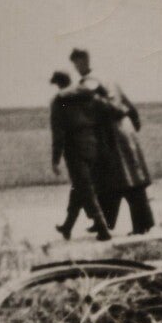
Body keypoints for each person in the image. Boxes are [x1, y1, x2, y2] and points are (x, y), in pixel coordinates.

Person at [70, 47, 155, 237]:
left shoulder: (89, 84)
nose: (76, 67)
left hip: (113, 136)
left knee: (126, 182)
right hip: (123, 132)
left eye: (76, 63)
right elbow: (128, 105)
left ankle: (141, 226)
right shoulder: (107, 79)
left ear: (83, 61)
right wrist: (133, 123)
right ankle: (105, 221)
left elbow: (104, 109)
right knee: (110, 181)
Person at [49, 70, 113, 241]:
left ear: (58, 84)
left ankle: (102, 228)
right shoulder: (87, 94)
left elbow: (58, 132)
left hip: (74, 148)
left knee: (84, 188)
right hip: (92, 146)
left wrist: (55, 159)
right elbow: (105, 113)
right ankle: (67, 226)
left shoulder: (60, 100)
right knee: (80, 186)